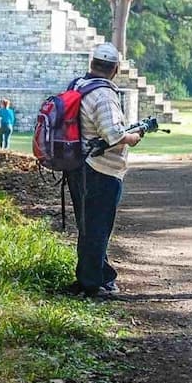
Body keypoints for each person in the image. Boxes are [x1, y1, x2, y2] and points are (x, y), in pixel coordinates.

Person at [65, 43, 142, 298]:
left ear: (92, 63)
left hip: (77, 164)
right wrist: (133, 136)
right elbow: (113, 135)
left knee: (88, 226)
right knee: (97, 227)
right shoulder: (104, 95)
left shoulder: (78, 85)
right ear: (116, 69)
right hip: (100, 169)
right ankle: (90, 283)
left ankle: (100, 274)